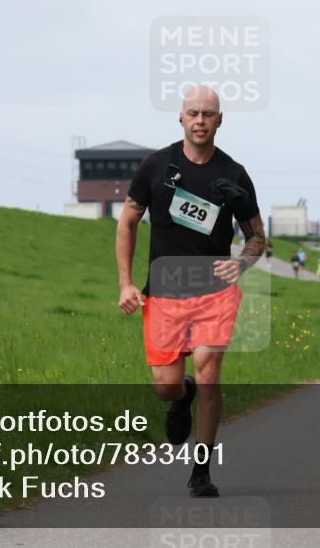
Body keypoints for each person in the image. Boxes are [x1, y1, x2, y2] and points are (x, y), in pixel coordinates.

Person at [116, 85, 264, 497]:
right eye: (193, 113)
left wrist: (240, 262)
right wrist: (126, 283)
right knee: (166, 386)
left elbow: (257, 237)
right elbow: (127, 223)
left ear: (220, 119)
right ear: (181, 118)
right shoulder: (155, 166)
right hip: (165, 292)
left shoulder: (235, 175)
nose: (200, 120)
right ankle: (184, 399)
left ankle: (201, 470)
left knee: (209, 371)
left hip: (214, 292)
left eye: (208, 114)